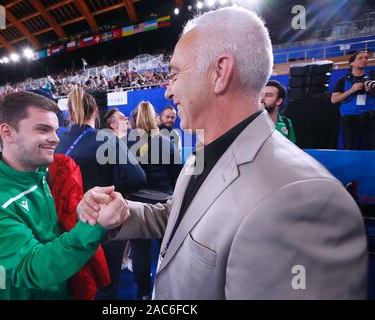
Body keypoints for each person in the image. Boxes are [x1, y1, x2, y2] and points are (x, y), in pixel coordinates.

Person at [79, 6, 367, 299]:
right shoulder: (204, 153)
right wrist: (121, 213)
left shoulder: (306, 201)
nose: (167, 91)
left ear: (219, 73)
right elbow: (181, 216)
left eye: (175, 74)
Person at [0, 92, 129, 300]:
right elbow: (30, 269)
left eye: (55, 130)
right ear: (8, 132)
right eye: (43, 129)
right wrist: (94, 224)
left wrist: (85, 207)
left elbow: (50, 235)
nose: (56, 138)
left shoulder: (41, 172)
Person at [55, 86, 146, 300]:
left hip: (65, 224)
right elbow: (137, 177)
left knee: (76, 283)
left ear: (69, 111)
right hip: (103, 222)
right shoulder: (106, 138)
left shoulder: (57, 139)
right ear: (96, 111)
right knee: (107, 285)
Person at [127, 101, 182, 299]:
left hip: (136, 204)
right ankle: (165, 292)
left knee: (139, 252)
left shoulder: (125, 142)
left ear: (133, 120)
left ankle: (143, 293)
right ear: (155, 118)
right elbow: (178, 173)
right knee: (165, 251)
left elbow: (120, 175)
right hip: (163, 203)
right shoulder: (165, 141)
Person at [331, 50, 375, 150]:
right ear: (352, 63)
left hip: (369, 118)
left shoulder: (372, 78)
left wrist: (371, 91)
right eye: (360, 58)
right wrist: (352, 90)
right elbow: (334, 100)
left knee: (371, 149)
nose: (364, 60)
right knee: (349, 148)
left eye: (366, 58)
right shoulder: (342, 80)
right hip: (349, 120)